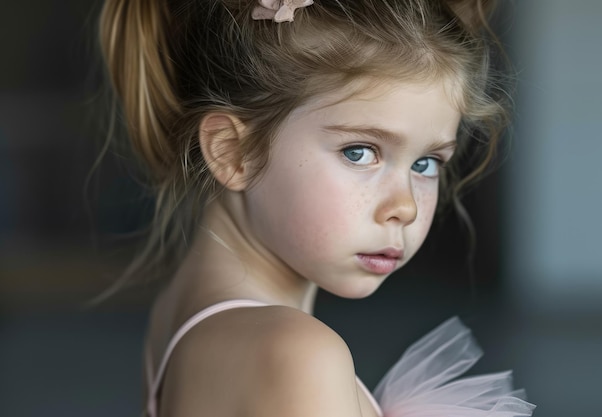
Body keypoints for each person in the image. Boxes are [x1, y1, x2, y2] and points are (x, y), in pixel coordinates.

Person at [98, 0, 535, 416]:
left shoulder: (181, 311)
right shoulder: (297, 354)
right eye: (360, 152)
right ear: (233, 152)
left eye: (425, 163)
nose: (404, 207)